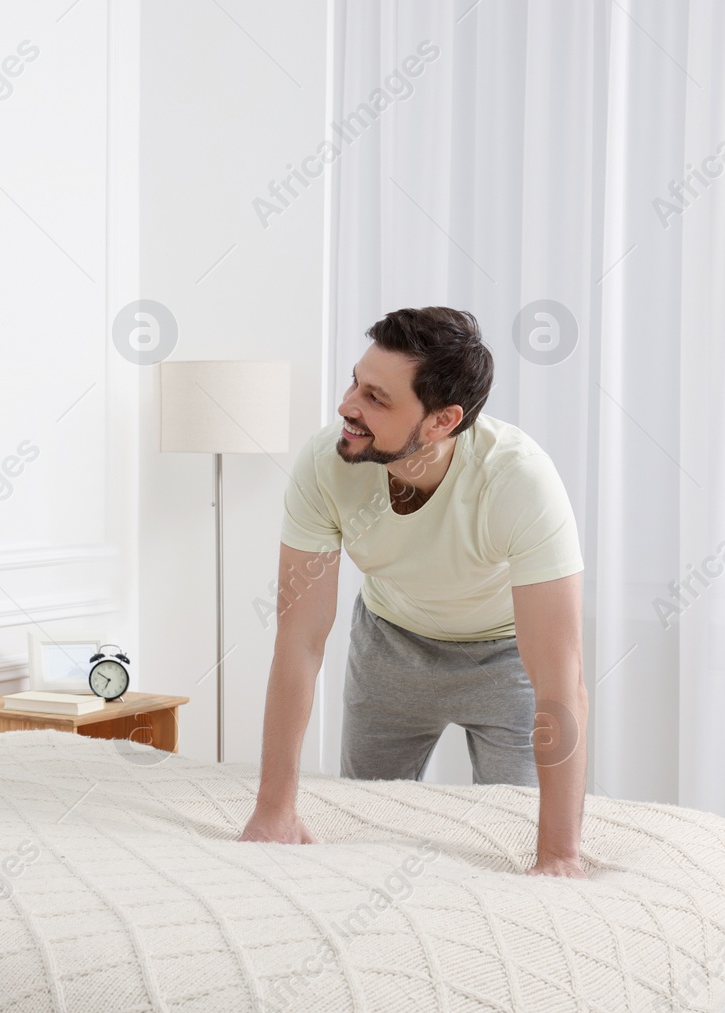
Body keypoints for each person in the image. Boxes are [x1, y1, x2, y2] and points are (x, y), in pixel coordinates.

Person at [238, 306, 589, 879]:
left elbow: (561, 680)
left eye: (377, 398)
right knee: (365, 833)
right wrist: (274, 810)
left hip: (504, 659)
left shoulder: (519, 481)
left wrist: (560, 858)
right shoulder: (327, 464)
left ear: (441, 421)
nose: (347, 405)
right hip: (389, 647)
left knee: (510, 835)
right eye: (355, 381)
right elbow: (299, 641)